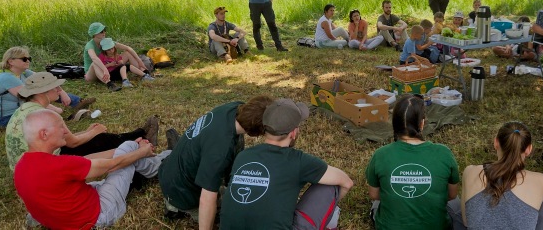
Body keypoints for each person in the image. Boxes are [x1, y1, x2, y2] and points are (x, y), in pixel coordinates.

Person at [14, 109, 170, 230]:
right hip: (99, 215)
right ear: (44, 134)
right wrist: (138, 151)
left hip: (66, 215)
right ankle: (166, 164)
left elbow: (85, 161)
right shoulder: (60, 165)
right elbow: (114, 164)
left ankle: (155, 159)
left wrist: (127, 150)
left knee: (128, 150)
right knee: (129, 148)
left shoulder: (22, 166)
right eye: (61, 126)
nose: (66, 131)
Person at [219, 98, 354, 229]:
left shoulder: (243, 156)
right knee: (330, 186)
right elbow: (346, 182)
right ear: (294, 133)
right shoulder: (298, 161)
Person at [159, 96, 274, 230]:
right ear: (257, 132)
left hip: (170, 170)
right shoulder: (219, 151)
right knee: (234, 213)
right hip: (181, 192)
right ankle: (174, 206)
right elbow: (207, 199)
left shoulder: (234, 108)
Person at [5, 72, 159, 171]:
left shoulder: (24, 110)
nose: (59, 90)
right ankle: (139, 141)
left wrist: (87, 132)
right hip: (44, 166)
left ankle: (137, 136)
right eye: (55, 87)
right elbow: (73, 143)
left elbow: (62, 137)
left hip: (24, 167)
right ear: (44, 92)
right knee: (100, 140)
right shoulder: (46, 115)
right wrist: (94, 131)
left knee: (94, 137)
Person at [461, 122, 543, 229]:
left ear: (496, 142)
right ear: (529, 149)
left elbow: (466, 221)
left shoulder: (470, 172)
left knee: (452, 205)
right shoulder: (541, 182)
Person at [366, 95, 460, 229]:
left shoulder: (380, 154)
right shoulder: (444, 153)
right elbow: (452, 195)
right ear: (422, 123)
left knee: (376, 204)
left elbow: (374, 194)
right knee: (457, 202)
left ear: (394, 123)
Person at [0, 47, 94, 127]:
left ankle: (77, 103)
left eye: (29, 58)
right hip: (2, 119)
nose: (28, 61)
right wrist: (56, 110)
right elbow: (30, 99)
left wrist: (62, 92)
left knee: (48, 89)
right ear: (11, 61)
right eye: (24, 59)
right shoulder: (6, 77)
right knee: (44, 115)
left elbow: (48, 80)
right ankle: (68, 117)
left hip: (19, 110)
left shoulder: (23, 72)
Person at [84, 22, 153, 92]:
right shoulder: (90, 45)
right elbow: (94, 58)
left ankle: (144, 73)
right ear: (95, 34)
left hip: (108, 69)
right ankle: (110, 84)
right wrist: (104, 69)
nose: (104, 32)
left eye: (104, 30)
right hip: (92, 74)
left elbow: (128, 48)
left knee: (127, 53)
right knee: (94, 63)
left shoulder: (106, 42)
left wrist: (139, 61)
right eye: (101, 31)